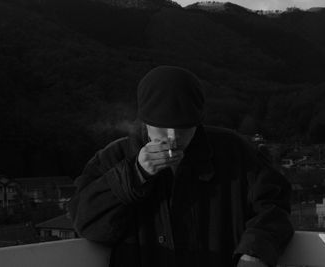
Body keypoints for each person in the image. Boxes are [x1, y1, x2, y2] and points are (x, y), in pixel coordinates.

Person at [68, 65, 294, 267]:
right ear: (145, 121)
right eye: (163, 127)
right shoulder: (115, 156)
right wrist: (135, 174)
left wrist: (255, 252)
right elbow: (86, 223)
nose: (173, 137)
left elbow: (274, 204)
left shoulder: (234, 151)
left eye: (184, 127)